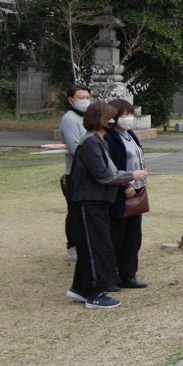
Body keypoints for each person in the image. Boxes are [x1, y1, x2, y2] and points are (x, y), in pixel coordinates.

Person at [66, 101, 147, 309]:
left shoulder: (99, 141)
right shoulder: (91, 143)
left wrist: (126, 178)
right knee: (97, 247)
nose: (114, 121)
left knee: (95, 246)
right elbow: (104, 174)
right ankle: (94, 292)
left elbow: (110, 170)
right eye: (110, 117)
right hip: (88, 201)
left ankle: (79, 288)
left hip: (99, 201)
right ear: (100, 120)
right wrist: (131, 176)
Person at [103, 99, 148, 289]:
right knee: (117, 237)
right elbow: (110, 167)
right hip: (120, 192)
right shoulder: (110, 138)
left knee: (133, 237)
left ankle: (128, 275)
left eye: (131, 114)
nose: (129, 118)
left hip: (137, 190)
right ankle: (111, 276)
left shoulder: (130, 134)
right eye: (125, 114)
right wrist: (124, 185)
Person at [60, 85, 91, 261]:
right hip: (75, 173)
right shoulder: (70, 119)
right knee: (75, 212)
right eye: (81, 97)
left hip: (86, 172)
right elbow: (74, 148)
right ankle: (72, 247)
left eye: (87, 96)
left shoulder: (84, 117)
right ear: (71, 100)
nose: (85, 100)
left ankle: (81, 245)